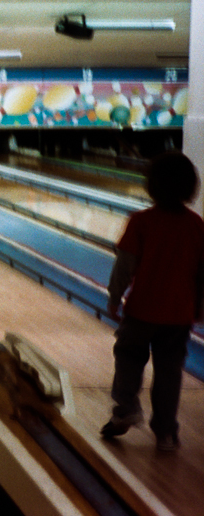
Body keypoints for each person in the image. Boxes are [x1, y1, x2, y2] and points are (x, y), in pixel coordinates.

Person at [101, 151, 204, 451]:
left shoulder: (141, 222)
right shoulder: (197, 226)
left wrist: (114, 295)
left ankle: (126, 409)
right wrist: (199, 308)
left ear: (151, 185)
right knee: (170, 372)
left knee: (129, 357)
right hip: (178, 316)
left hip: (142, 311)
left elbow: (125, 264)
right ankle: (166, 433)